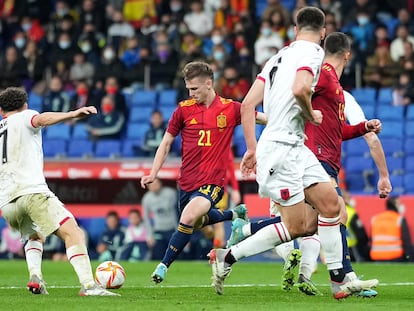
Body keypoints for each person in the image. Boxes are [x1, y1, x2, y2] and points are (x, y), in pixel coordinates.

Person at [208, 8, 378, 300]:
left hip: (294, 147)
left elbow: (247, 105)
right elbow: (301, 88)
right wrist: (311, 112)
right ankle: (228, 257)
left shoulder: (276, 58)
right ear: (323, 33)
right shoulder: (313, 54)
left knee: (331, 205)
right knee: (298, 226)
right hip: (281, 149)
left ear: (294, 29)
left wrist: (251, 147)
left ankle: (339, 279)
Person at [140, 61, 267, 284]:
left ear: (209, 84)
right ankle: (234, 214)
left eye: (195, 89)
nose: (191, 93)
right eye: (188, 89)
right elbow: (166, 142)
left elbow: (259, 117)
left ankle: (163, 265)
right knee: (195, 223)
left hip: (213, 182)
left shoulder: (230, 108)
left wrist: (288, 122)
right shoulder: (183, 110)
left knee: (187, 217)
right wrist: (153, 173)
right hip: (187, 182)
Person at [0, 87, 118, 296]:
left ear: (1, 111)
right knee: (73, 232)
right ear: (25, 105)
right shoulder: (25, 116)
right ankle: (89, 286)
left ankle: (35, 276)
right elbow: (41, 119)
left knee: (34, 236)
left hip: (7, 203)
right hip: (31, 193)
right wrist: (73, 114)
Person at [141, 177, 178, 260]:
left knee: (176, 255)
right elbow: (146, 218)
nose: (154, 186)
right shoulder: (147, 198)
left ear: (160, 183)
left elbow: (176, 213)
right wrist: (149, 235)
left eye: (155, 183)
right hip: (158, 230)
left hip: (172, 229)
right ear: (148, 187)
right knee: (158, 255)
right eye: (151, 185)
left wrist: (179, 231)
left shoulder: (171, 193)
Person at [370, 196, 414, 262]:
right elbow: (406, 241)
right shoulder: (399, 219)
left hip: (377, 256)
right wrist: (409, 258)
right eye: (399, 203)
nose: (402, 206)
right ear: (394, 205)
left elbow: (371, 239)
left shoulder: (375, 219)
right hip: (395, 256)